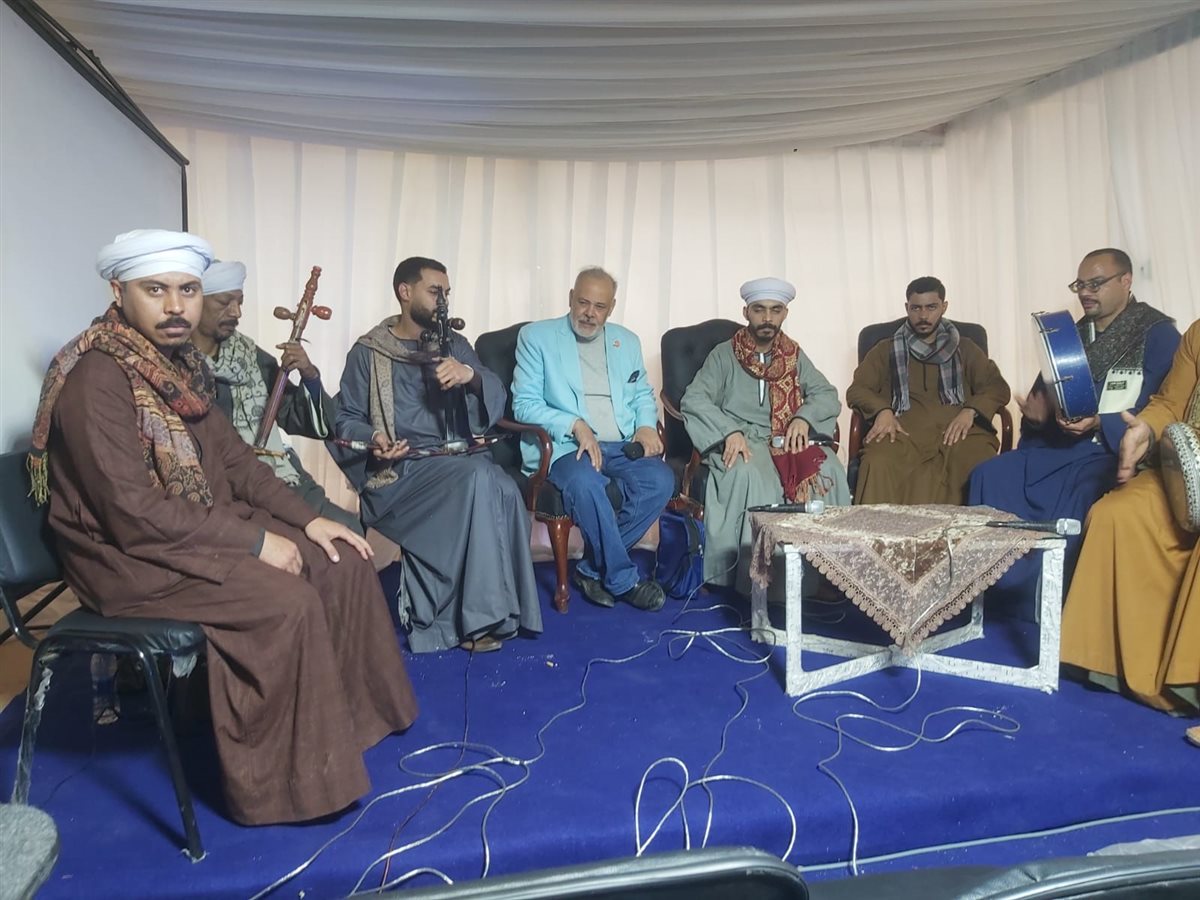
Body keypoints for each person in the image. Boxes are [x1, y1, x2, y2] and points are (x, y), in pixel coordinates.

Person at [27, 229, 417, 825]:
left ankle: (341, 736)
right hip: (125, 558)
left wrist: (311, 521)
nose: (175, 306)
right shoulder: (97, 379)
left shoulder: (177, 366)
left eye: (187, 290)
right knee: (285, 600)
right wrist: (256, 543)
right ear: (119, 293)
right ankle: (283, 787)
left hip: (192, 525)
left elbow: (237, 462)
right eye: (155, 290)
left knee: (343, 558)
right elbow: (131, 513)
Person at [336, 256, 542, 653]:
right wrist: (375, 437)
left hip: (460, 462)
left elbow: (492, 391)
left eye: (447, 293)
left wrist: (471, 376)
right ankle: (470, 622)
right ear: (405, 292)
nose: (443, 302)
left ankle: (506, 613)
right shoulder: (369, 352)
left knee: (502, 487)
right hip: (401, 472)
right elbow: (344, 419)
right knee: (480, 478)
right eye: (435, 292)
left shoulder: (455, 344)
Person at [968, 248, 1179, 584]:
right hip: (1059, 447)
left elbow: (1165, 406)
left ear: (1126, 281)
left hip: (1111, 450)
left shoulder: (1159, 334)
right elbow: (1044, 403)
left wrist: (1102, 422)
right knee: (988, 474)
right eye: (1079, 285)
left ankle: (1055, 594)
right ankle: (993, 590)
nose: (1085, 293)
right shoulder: (1067, 337)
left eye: (1095, 284)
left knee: (1083, 491)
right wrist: (1038, 418)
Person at [512, 267, 674, 611]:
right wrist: (574, 424)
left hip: (621, 445)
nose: (589, 313)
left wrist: (647, 425)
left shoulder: (626, 341)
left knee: (660, 480)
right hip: (567, 448)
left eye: (599, 306)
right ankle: (623, 579)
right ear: (571, 297)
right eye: (583, 302)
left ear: (611, 307)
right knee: (586, 483)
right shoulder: (536, 337)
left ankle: (589, 569)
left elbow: (641, 395)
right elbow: (523, 405)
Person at [1061, 318, 1199, 719]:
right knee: (1115, 513)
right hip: (1188, 465)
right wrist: (1146, 431)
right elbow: (1170, 403)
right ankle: (1106, 663)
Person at [680, 277, 850, 593]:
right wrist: (729, 431)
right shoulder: (724, 355)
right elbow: (695, 398)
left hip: (787, 438)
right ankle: (753, 585)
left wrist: (803, 418)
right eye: (759, 310)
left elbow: (826, 394)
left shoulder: (793, 354)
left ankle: (824, 579)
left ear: (785, 314)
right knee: (751, 474)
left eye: (775, 310)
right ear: (746, 312)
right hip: (743, 439)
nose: (767, 318)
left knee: (826, 469)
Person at [193, 259, 361, 533]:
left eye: (240, 302)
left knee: (348, 528)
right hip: (221, 487)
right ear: (195, 302)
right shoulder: (178, 364)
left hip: (277, 477)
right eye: (224, 302)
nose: (236, 312)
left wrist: (309, 375)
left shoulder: (250, 357)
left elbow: (310, 422)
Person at [847, 276, 1010, 505]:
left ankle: (976, 530)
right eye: (916, 308)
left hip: (958, 434)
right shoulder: (886, 349)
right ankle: (878, 529)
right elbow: (857, 389)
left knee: (979, 459)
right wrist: (883, 411)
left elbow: (997, 386)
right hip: (903, 434)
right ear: (907, 308)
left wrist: (971, 410)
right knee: (878, 460)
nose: (923, 316)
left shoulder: (965, 348)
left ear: (944, 306)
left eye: (931, 307)